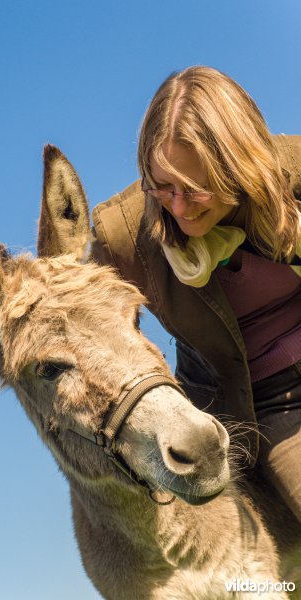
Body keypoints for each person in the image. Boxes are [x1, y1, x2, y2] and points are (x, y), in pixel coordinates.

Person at [91, 66, 301, 522]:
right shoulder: (123, 237)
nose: (179, 207)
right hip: (266, 404)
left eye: (196, 189)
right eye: (161, 187)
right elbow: (87, 320)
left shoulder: (294, 173)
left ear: (239, 165)